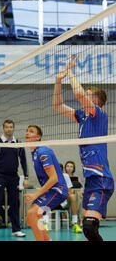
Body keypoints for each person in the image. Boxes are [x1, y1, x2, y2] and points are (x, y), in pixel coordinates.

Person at [53, 55, 114, 241]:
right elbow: (57, 106)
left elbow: (79, 94)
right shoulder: (83, 116)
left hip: (101, 178)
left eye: (88, 93)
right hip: (91, 179)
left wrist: (70, 70)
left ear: (96, 100)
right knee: (88, 229)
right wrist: (57, 81)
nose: (83, 95)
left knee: (88, 226)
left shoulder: (98, 114)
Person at [24, 125, 68, 241]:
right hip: (50, 190)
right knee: (30, 218)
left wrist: (35, 194)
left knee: (33, 214)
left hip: (57, 190)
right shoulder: (34, 152)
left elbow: (54, 178)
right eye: (27, 131)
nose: (27, 133)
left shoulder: (43, 152)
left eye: (31, 132)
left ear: (38, 137)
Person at [0, 119, 28, 238]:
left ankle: (16, 229)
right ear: (3, 129)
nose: (9, 129)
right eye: (7, 127)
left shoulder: (18, 143)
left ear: (13, 128)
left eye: (11, 127)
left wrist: (26, 177)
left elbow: (24, 161)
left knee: (14, 202)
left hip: (13, 177)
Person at [65, 160, 83, 232]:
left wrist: (80, 191)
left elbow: (81, 187)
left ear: (74, 168)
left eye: (71, 166)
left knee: (79, 197)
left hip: (76, 196)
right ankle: (77, 218)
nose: (69, 168)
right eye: (68, 166)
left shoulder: (77, 178)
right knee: (74, 196)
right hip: (66, 197)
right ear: (65, 167)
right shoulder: (63, 177)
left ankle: (80, 218)